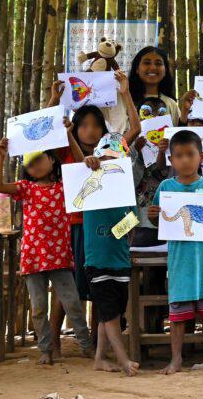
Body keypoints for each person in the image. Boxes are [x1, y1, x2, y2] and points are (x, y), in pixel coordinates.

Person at [46, 74, 141, 351]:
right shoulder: (66, 152)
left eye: (96, 125)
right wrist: (54, 100)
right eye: (83, 125)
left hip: (110, 234)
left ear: (104, 130)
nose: (89, 130)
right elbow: (44, 134)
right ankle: (52, 343)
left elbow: (135, 128)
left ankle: (101, 348)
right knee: (69, 287)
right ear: (75, 129)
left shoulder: (114, 152)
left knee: (106, 289)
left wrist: (126, 93)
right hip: (77, 229)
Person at [0, 134, 93, 365]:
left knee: (73, 304)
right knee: (38, 308)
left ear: (52, 159)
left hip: (59, 256)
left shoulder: (64, 187)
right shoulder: (25, 188)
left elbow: (82, 168)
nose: (34, 166)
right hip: (33, 257)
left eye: (39, 159)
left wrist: (68, 135)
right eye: (29, 163)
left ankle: (87, 347)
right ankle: (45, 350)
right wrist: (1, 157)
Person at [148, 130, 203, 374]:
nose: (185, 160)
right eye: (179, 155)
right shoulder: (166, 187)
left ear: (202, 156)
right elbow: (161, 221)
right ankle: (175, 359)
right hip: (180, 260)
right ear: (171, 160)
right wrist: (152, 215)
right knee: (178, 314)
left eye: (190, 154)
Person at [82, 132, 141, 376]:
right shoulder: (88, 182)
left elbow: (132, 223)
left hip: (120, 260)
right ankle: (123, 359)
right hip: (97, 261)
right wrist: (89, 164)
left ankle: (99, 358)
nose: (108, 162)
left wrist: (122, 235)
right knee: (110, 313)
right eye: (103, 158)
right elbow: (83, 164)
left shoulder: (127, 192)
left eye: (113, 159)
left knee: (112, 312)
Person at [128, 46, 181, 124]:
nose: (153, 67)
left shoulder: (171, 104)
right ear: (137, 69)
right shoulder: (125, 99)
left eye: (158, 63)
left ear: (165, 71)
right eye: (147, 63)